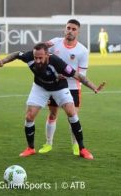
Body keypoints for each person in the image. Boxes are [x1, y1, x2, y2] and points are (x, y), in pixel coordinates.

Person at [0, 43, 105, 160]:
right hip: (40, 87)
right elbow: (16, 54)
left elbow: (77, 75)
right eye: (36, 58)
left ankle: (82, 149)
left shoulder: (57, 62)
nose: (38, 60)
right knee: (29, 117)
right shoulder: (29, 56)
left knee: (71, 112)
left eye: (41, 58)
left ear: (47, 56)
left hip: (59, 88)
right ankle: (30, 148)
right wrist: (3, 61)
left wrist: (93, 87)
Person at [38, 19, 90, 156]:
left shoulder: (83, 51)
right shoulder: (55, 42)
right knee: (52, 114)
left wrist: (64, 76)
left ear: (78, 32)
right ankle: (48, 143)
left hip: (73, 87)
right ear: (64, 29)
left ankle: (76, 146)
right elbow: (41, 51)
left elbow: (82, 74)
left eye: (73, 29)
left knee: (73, 117)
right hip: (54, 86)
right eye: (68, 28)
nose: (70, 31)